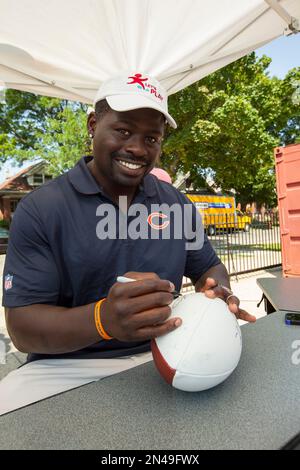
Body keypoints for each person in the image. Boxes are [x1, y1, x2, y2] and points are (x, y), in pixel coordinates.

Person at [0, 72, 256, 415]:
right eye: (123, 131)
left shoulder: (175, 205)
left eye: (152, 138)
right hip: (63, 367)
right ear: (93, 125)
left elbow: (208, 268)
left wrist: (218, 293)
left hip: (163, 350)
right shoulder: (42, 209)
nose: (137, 147)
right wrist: (103, 319)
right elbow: (22, 328)